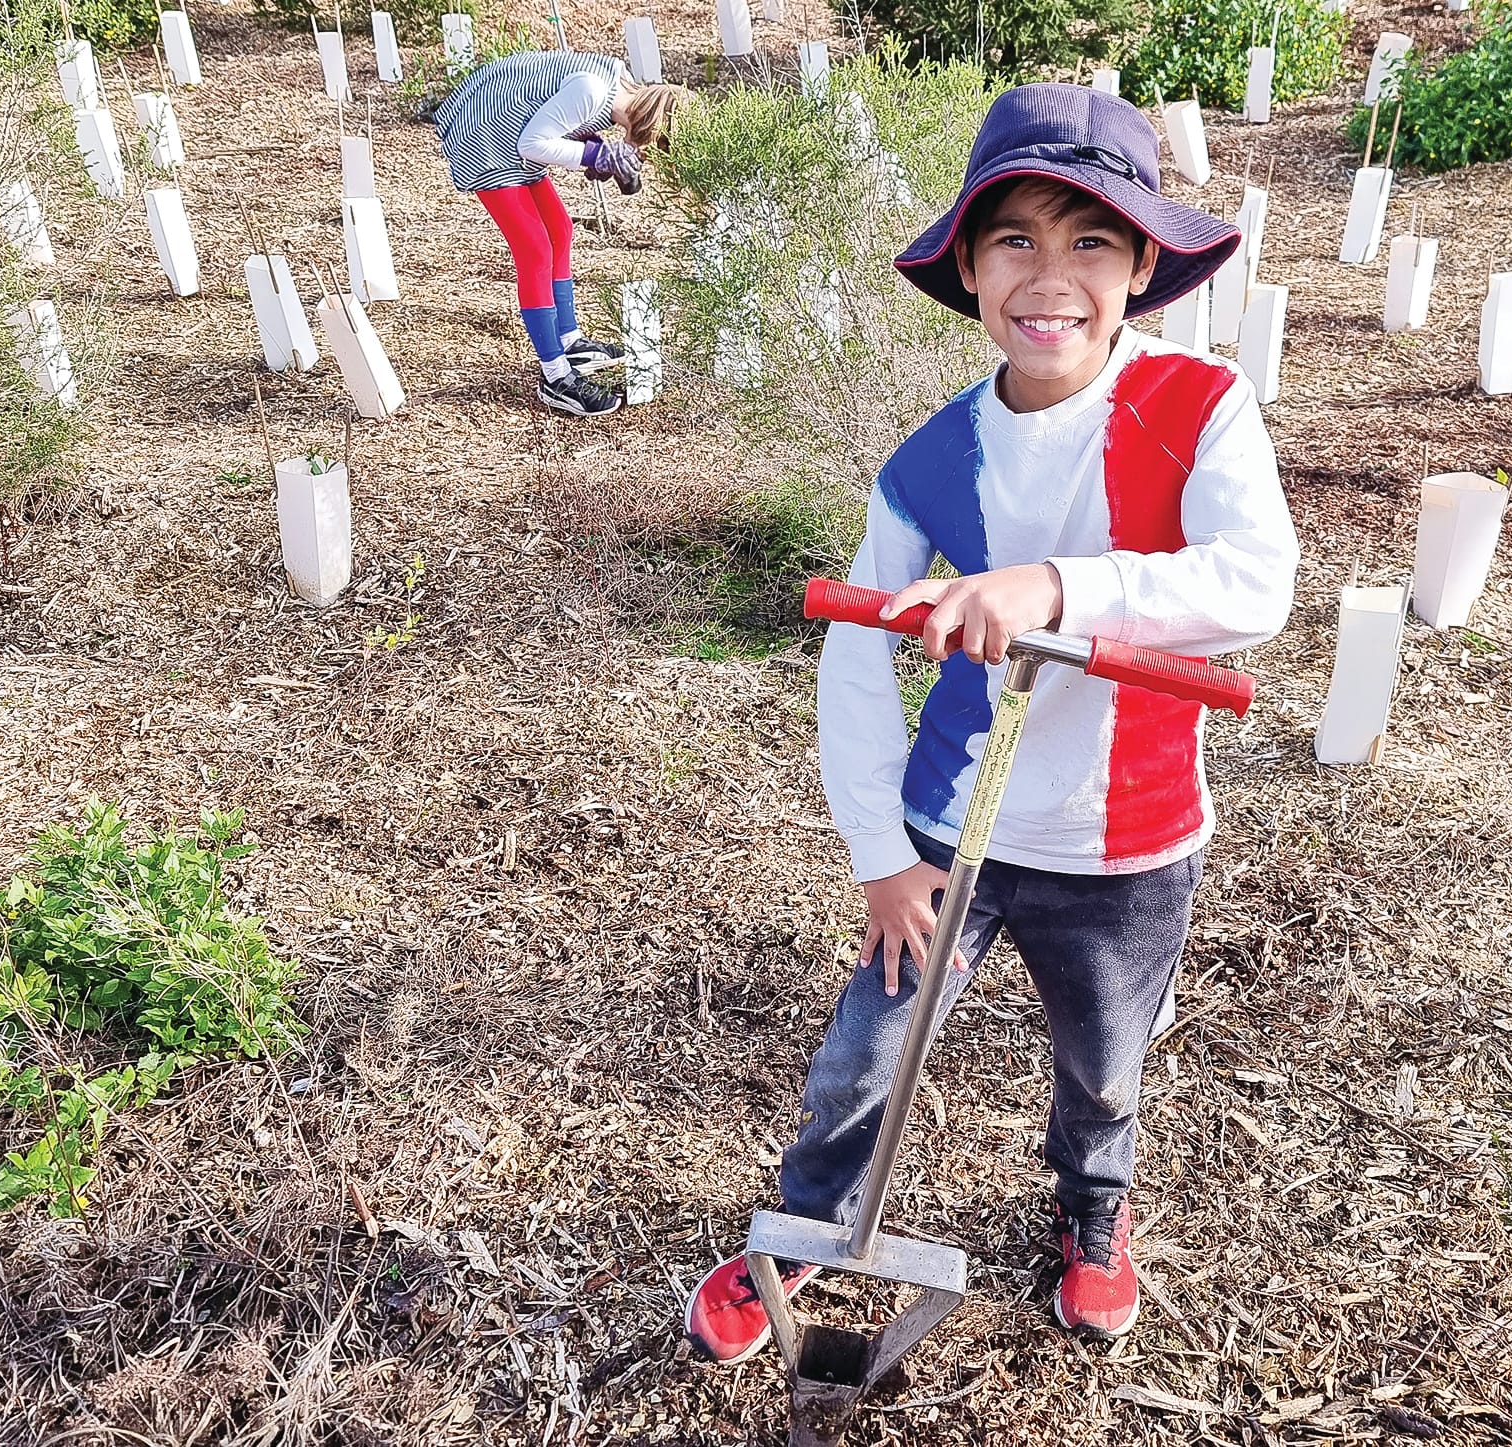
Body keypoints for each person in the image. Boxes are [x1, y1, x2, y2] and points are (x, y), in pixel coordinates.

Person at [684, 82, 1299, 1361]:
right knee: (865, 1055)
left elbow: (1255, 580)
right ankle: (799, 1230)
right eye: (1014, 236)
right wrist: (880, 854)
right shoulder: (927, 460)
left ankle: (1092, 1213)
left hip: (1122, 846)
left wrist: (1056, 587)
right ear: (967, 265)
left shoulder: (1196, 408)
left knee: (1103, 1065)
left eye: (1090, 241)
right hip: (948, 825)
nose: (1050, 275)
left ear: (1140, 269)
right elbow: (855, 655)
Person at [435, 52, 687, 416]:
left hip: (510, 133)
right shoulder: (592, 90)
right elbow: (533, 144)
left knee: (560, 230)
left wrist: (597, 146)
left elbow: (558, 115)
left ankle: (570, 342)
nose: (644, 155)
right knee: (534, 248)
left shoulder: (620, 81)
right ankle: (555, 376)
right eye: (653, 147)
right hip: (486, 140)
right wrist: (593, 156)